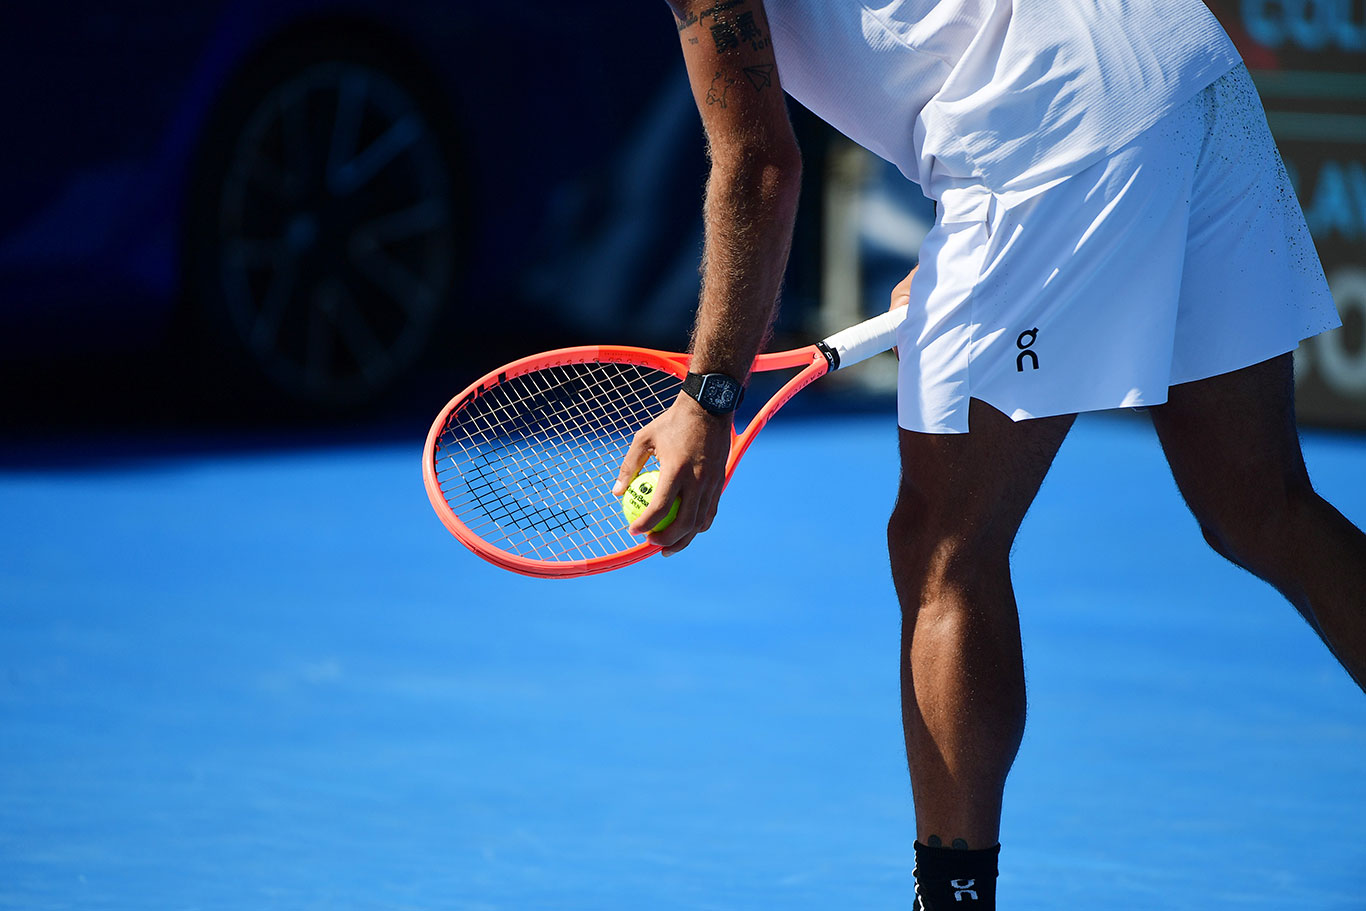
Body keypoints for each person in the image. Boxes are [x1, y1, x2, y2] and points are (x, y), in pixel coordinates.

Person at [610, 1, 1366, 907]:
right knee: (1263, 506)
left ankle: (952, 898)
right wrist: (965, 247)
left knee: (942, 547)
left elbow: (761, 164)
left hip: (1049, 132)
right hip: (1186, 61)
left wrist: (708, 398)